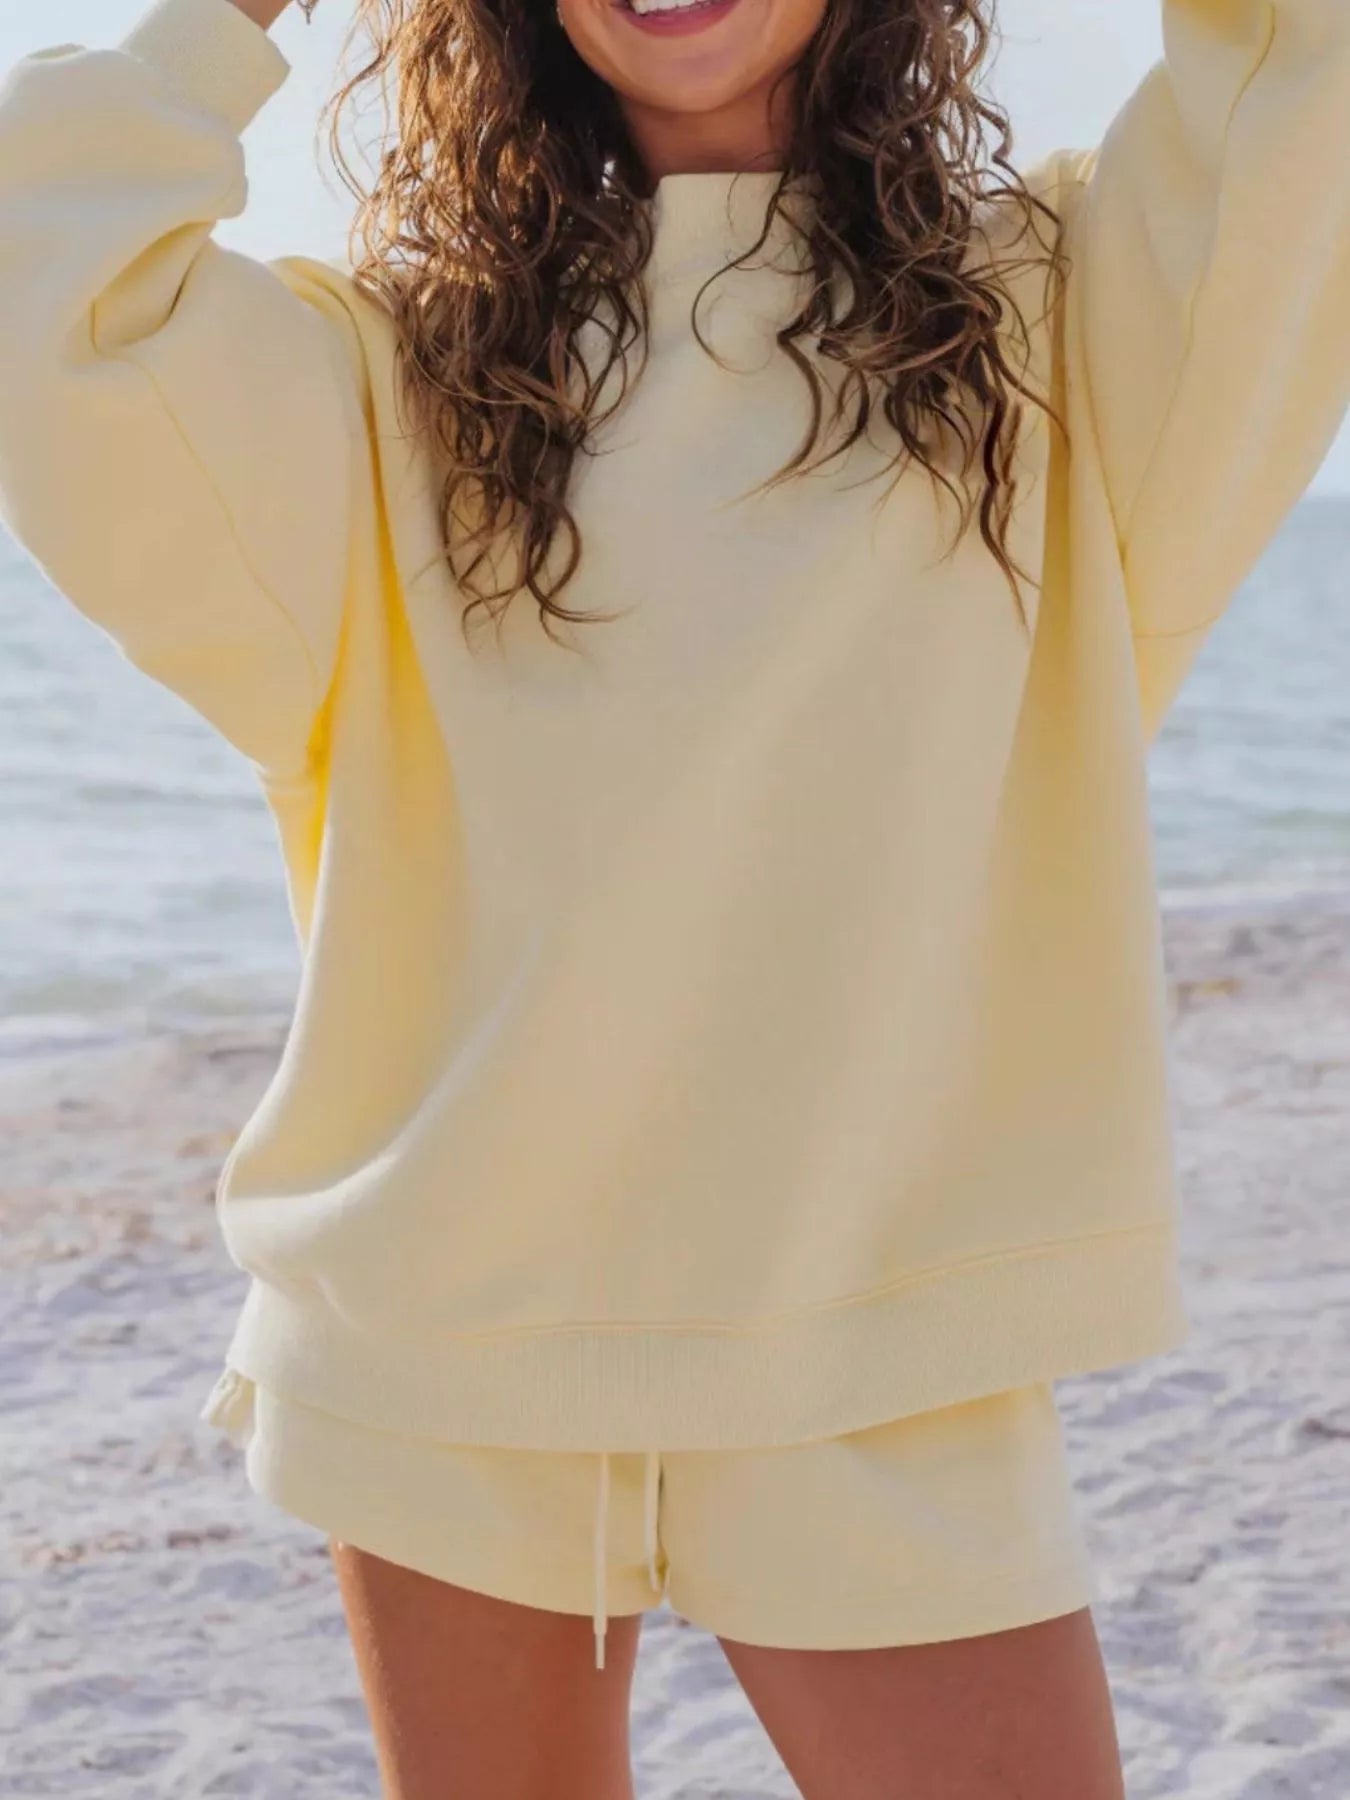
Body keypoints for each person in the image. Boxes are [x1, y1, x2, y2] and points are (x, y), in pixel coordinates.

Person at [1, 0, 1346, 1792]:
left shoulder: (1060, 321)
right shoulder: (387, 369)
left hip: (875, 1348)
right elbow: (40, 274)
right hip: (445, 1344)